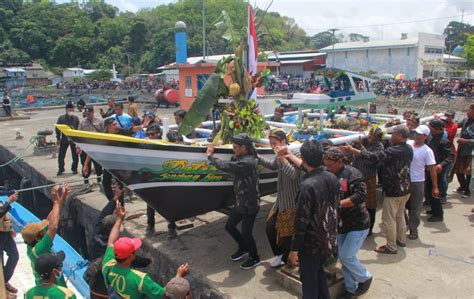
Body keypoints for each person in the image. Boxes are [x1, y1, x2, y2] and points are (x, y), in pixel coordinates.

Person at [342, 126, 413, 254]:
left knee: (389, 219)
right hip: (405, 188)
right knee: (399, 215)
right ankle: (401, 240)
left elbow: (375, 157)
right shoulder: (408, 148)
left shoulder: (393, 150)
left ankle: (391, 247)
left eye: (394, 134)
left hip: (394, 189)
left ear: (401, 136)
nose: (391, 136)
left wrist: (353, 150)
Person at [102, 201, 189, 298]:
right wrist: (178, 277)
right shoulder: (140, 279)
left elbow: (110, 242)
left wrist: (119, 220)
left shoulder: (108, 264)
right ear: (130, 256)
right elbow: (163, 295)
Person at [288, 140, 339, 299]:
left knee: (309, 283)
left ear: (303, 158)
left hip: (311, 245)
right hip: (328, 238)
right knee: (319, 275)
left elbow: (301, 221)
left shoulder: (307, 186)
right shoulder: (332, 177)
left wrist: (294, 249)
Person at [323, 147, 372, 299]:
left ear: (339, 161)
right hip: (341, 224)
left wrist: (338, 204)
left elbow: (361, 195)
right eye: (325, 164)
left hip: (357, 223)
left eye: (330, 164)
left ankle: (365, 277)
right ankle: (350, 290)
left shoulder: (352, 174)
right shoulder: (329, 174)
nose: (327, 167)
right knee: (345, 259)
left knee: (346, 256)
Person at [206, 134, 261, 269]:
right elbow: (232, 162)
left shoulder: (247, 161)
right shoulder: (240, 157)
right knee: (229, 227)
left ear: (244, 148)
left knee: (247, 233)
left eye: (235, 147)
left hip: (250, 204)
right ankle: (243, 248)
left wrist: (210, 156)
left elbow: (226, 166)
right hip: (240, 202)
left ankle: (255, 257)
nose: (233, 149)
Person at [257, 128, 302, 267]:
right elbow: (272, 166)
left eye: (274, 143)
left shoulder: (296, 153)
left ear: (283, 141)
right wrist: (257, 157)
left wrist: (282, 157)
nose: (272, 146)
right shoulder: (278, 154)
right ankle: (280, 254)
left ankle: (290, 260)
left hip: (291, 202)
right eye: (270, 143)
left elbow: (294, 175)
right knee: (270, 228)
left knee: (287, 234)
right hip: (280, 200)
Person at [22, 184, 69, 286]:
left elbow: (48, 222)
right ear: (37, 237)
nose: (44, 231)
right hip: (52, 284)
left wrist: (60, 201)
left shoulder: (32, 244)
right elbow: (53, 227)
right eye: (42, 231)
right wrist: (56, 202)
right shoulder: (40, 249)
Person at [350, 126, 384, 236]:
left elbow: (372, 157)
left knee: (370, 205)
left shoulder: (379, 146)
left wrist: (360, 148)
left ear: (378, 138)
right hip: (356, 178)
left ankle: (369, 228)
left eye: (373, 136)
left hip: (368, 179)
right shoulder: (364, 141)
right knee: (355, 202)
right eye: (370, 134)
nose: (370, 137)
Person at [406, 125, 438, 240]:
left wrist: (435, 186)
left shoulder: (427, 151)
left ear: (425, 136)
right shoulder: (408, 144)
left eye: (419, 134)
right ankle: (405, 223)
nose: (416, 136)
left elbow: (432, 169)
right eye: (416, 133)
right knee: (401, 205)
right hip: (404, 180)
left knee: (415, 207)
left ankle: (413, 229)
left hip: (417, 182)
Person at [425, 119, 455, 221]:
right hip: (429, 168)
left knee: (435, 191)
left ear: (438, 129)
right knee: (429, 189)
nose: (430, 130)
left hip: (437, 171)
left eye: (432, 128)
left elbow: (450, 156)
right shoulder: (430, 137)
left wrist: (441, 165)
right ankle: (433, 209)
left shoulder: (444, 141)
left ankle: (438, 214)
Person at [78, 106, 104, 185]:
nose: (87, 115)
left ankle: (99, 180)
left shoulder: (100, 121)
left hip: (97, 147)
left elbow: (104, 132)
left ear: (93, 112)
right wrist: (78, 147)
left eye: (89, 113)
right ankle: (86, 181)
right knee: (85, 164)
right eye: (86, 114)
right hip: (86, 147)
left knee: (98, 165)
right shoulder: (82, 122)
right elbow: (78, 135)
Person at [453, 103, 474, 198]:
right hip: (461, 149)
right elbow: (456, 126)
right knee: (458, 170)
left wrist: (467, 141)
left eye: (469, 110)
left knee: (468, 171)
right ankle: (463, 186)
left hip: (471, 151)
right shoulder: (466, 120)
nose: (467, 112)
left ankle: (467, 190)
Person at [0, 192, 19, 295]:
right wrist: (9, 201)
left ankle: (4, 280)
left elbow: (4, 215)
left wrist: (9, 228)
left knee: (14, 256)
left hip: (5, 233)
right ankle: (2, 285)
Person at [55, 103, 80, 176]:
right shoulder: (61, 118)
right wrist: (58, 138)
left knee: (75, 155)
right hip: (64, 139)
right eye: (69, 110)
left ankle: (74, 169)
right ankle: (61, 169)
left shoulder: (75, 118)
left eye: (72, 110)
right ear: (66, 110)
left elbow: (78, 128)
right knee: (61, 155)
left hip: (73, 139)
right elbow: (57, 128)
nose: (71, 111)